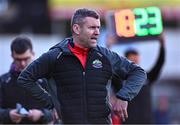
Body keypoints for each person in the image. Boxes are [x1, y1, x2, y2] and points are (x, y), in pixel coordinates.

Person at [17, 8, 147, 124]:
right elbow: (25, 78)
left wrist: (123, 96)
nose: (97, 32)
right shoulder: (54, 56)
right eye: (92, 28)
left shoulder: (105, 55)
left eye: (98, 28)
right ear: (76, 29)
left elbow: (139, 73)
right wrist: (51, 102)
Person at [0, 36, 53, 124]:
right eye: (18, 59)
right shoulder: (3, 81)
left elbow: (59, 109)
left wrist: (42, 114)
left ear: (33, 54)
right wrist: (8, 114)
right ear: (12, 56)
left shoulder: (46, 80)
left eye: (26, 59)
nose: (22, 63)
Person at [122, 35, 165, 124]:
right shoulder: (121, 79)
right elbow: (108, 69)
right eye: (132, 60)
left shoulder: (147, 77)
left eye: (136, 59)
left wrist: (162, 45)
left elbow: (159, 64)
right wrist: (108, 46)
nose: (135, 62)